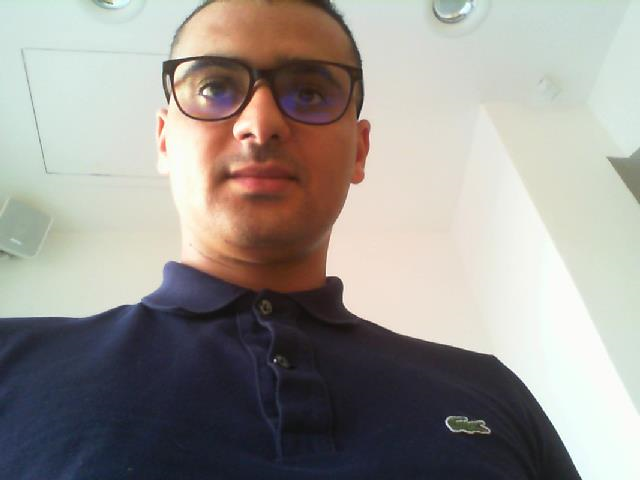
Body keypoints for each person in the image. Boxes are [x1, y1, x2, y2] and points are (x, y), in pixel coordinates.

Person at [0, 1, 581, 478]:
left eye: (309, 93)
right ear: (164, 140)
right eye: (214, 87)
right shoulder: (12, 360)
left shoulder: (489, 391)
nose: (261, 123)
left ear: (359, 151)